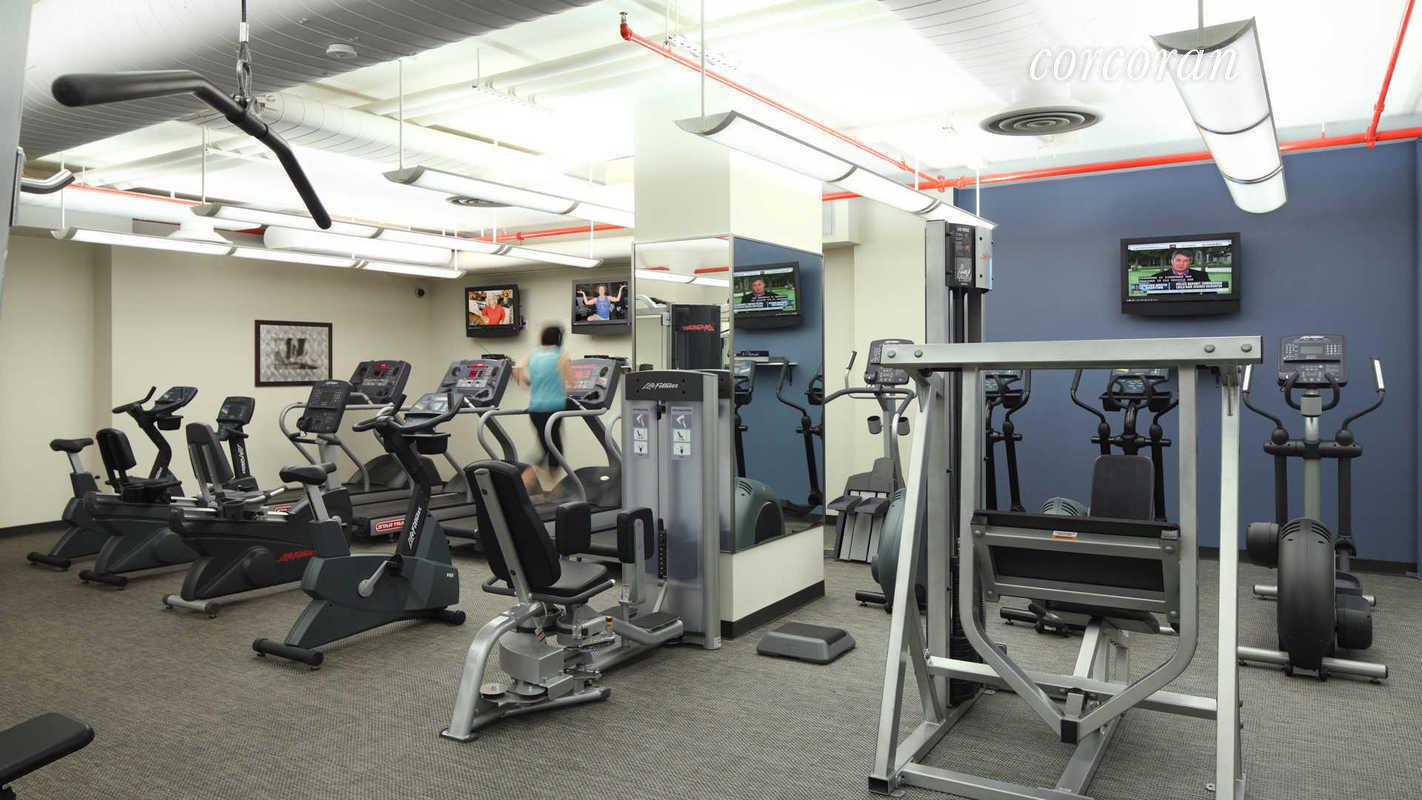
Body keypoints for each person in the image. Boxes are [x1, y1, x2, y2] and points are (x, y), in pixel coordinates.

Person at [514, 324, 575, 494]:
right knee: (554, 451)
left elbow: (516, 367)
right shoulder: (561, 356)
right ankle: (534, 483)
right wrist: (563, 389)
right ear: (559, 339)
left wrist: (526, 383)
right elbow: (572, 384)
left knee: (547, 448)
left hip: (535, 409)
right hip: (553, 409)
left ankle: (547, 488)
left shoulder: (533, 354)